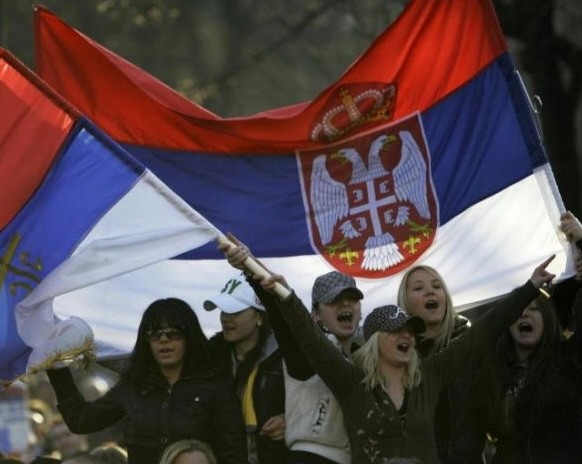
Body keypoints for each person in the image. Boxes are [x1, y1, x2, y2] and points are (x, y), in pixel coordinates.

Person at [221, 237, 555, 464]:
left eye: (410, 329)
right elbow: (305, 337)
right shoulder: (351, 382)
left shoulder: (430, 375)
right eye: (395, 330)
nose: (406, 335)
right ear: (374, 340)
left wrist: (529, 288)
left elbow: (483, 333)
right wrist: (270, 285)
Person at [46, 298, 247, 464]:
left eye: (173, 333)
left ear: (189, 337)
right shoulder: (134, 387)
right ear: (146, 340)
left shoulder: (215, 387)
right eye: (155, 334)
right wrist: (55, 365)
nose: (164, 341)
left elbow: (234, 454)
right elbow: (81, 421)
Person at [485, 211, 582, 463]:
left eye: (535, 309)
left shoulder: (570, 360)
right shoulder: (490, 372)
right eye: (519, 309)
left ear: (548, 319)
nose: (525, 315)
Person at [396, 265, 493, 463]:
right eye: (418, 288)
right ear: (404, 302)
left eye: (437, 286)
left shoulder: (473, 344)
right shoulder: (395, 355)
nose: (430, 291)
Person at [203, 272, 288, 464]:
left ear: (258, 315)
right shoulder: (208, 358)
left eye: (234, 311)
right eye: (223, 311)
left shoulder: (285, 356)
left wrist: (289, 419)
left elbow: (311, 401)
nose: (225, 318)